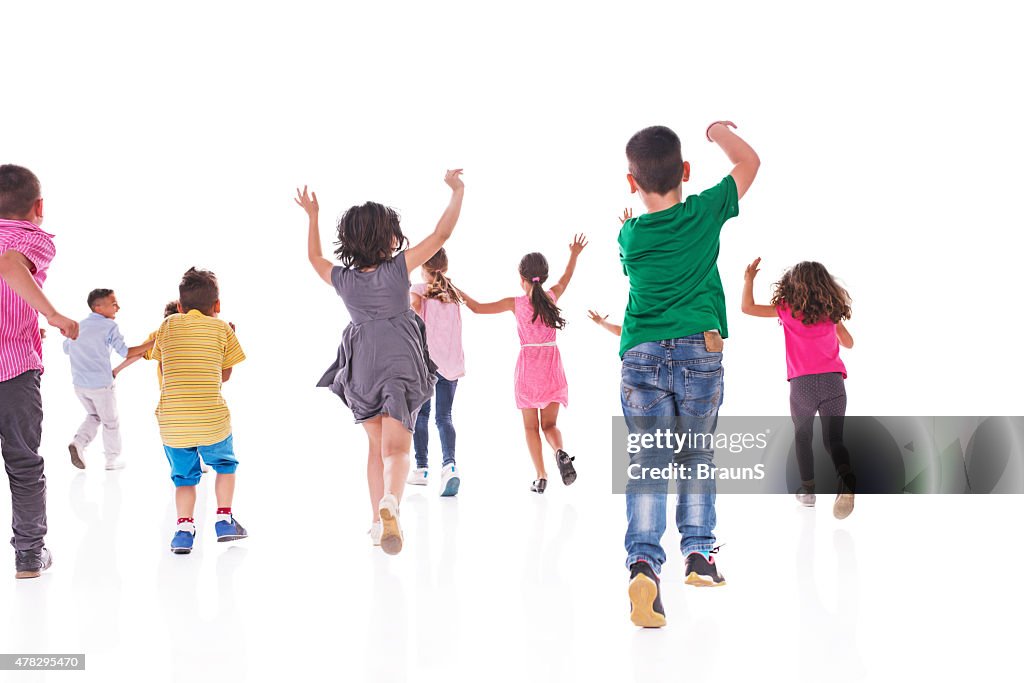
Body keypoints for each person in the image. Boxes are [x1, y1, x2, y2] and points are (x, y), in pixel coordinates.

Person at [617, 122, 759, 628]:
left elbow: (634, 271)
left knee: (648, 460)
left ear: (632, 182)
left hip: (641, 355)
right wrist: (718, 130)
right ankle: (699, 552)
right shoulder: (703, 211)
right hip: (701, 351)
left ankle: (644, 566)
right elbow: (749, 164)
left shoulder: (630, 234)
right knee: (696, 452)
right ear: (686, 172)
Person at [297, 169, 465, 555]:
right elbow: (441, 234)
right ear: (385, 237)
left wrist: (312, 217)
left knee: (375, 448)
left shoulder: (343, 279)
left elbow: (313, 257)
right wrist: (457, 191)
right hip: (400, 357)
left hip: (362, 363)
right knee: (398, 450)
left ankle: (377, 521)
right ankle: (392, 500)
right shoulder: (398, 268)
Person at [459, 235, 587, 493]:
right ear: (544, 277)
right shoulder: (552, 296)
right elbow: (566, 277)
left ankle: (541, 476)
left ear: (522, 278)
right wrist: (574, 253)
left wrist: (454, 290)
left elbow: (477, 307)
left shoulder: (515, 304)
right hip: (552, 365)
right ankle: (560, 451)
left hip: (529, 368)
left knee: (531, 427)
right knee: (550, 425)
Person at [0, 164, 79, 579]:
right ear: (38, 206)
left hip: (15, 355)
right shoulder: (27, 238)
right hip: (12, 371)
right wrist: (52, 314)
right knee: (23, 463)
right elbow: (10, 265)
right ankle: (29, 555)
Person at [741, 257, 856, 518]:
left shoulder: (787, 309)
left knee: (803, 436)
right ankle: (845, 477)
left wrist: (749, 279)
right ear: (825, 285)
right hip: (833, 381)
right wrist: (834, 327)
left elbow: (747, 307)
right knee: (834, 439)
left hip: (802, 384)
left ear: (792, 286)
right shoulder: (831, 310)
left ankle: (808, 491)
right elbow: (849, 343)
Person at [152, 268, 247, 554]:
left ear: (180, 307)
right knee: (225, 465)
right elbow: (224, 376)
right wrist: (229, 334)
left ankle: (183, 529)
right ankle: (224, 520)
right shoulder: (222, 329)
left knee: (184, 478)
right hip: (211, 420)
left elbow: (163, 362)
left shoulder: (167, 326)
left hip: (173, 423)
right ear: (217, 306)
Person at [64, 288, 153, 470]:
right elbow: (125, 352)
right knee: (111, 422)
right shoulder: (109, 326)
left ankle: (79, 443)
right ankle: (111, 460)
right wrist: (152, 343)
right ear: (97, 307)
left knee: (94, 415)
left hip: (80, 385)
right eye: (113, 304)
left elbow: (67, 348)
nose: (118, 307)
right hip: (101, 385)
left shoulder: (78, 326)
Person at [408, 248, 465, 496]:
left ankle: (421, 469)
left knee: (421, 415)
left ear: (423, 267)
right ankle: (449, 466)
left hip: (426, 363)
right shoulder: (454, 294)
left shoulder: (419, 290)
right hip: (451, 364)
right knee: (445, 417)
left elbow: (411, 316)